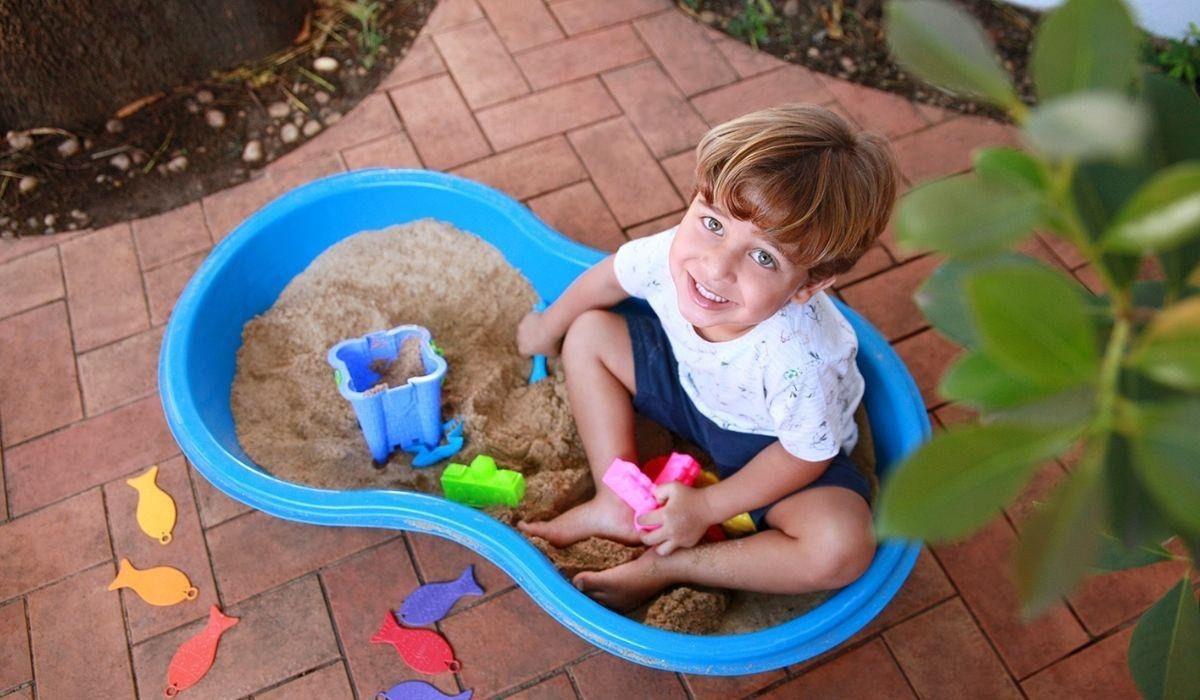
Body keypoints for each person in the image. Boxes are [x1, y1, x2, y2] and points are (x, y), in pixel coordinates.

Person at [515, 104, 898, 611]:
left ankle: (671, 565)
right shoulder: (672, 252)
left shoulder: (802, 358)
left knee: (840, 547)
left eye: (765, 257)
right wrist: (546, 328)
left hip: (770, 444)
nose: (715, 267)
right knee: (587, 333)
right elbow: (609, 276)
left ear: (810, 283)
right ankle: (617, 500)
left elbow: (808, 454)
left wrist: (705, 507)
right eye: (713, 223)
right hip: (690, 386)